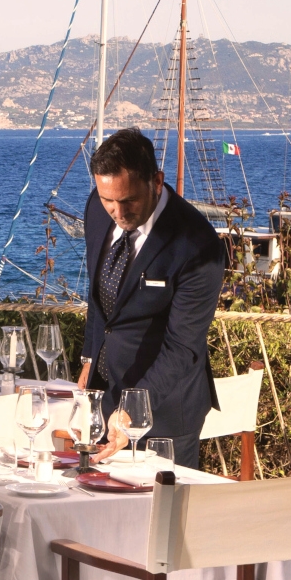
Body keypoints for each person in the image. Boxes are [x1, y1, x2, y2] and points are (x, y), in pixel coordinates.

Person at [78, 127, 225, 470]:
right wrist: (88, 359)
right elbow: (100, 297)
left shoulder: (198, 244)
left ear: (157, 181)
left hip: (167, 415)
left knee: (161, 519)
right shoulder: (96, 210)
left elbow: (182, 348)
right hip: (105, 403)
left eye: (128, 201)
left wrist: (131, 411)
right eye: (107, 200)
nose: (116, 211)